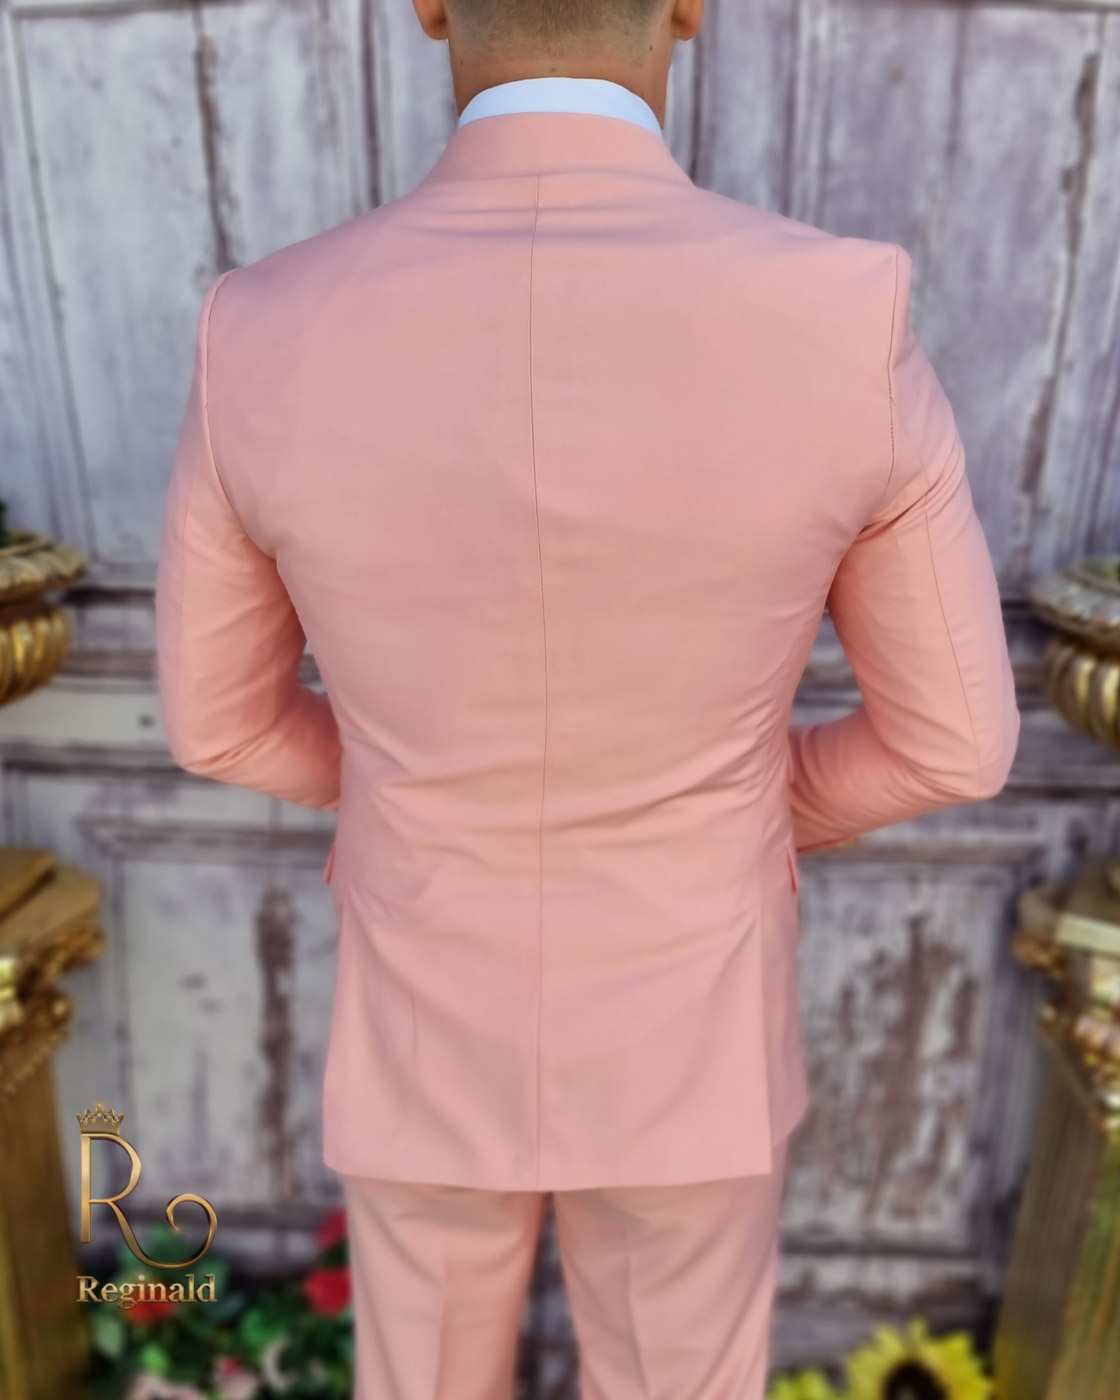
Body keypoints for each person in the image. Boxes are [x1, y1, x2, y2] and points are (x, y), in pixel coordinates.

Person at [153, 0, 1021, 1394]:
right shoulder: (839, 314)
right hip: (695, 1024)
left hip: (422, 1012)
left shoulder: (255, 329)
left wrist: (416, 790)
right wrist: (739, 804)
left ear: (430, 4)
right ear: (687, 5)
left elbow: (218, 720)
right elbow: (958, 742)